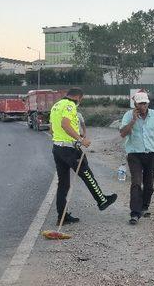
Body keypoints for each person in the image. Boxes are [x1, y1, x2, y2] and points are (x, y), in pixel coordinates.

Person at [49, 87, 117, 226]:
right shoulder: (70, 105)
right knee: (87, 174)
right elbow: (65, 124)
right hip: (70, 149)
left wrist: (73, 137)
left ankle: (61, 216)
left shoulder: (56, 105)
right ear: (79, 97)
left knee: (63, 184)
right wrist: (80, 140)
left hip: (57, 148)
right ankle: (102, 200)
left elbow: (52, 128)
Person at [119, 91, 154, 225]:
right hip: (134, 154)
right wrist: (133, 121)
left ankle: (144, 206)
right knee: (136, 182)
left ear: (147, 103)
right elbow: (123, 133)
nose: (142, 106)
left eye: (144, 103)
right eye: (140, 103)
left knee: (149, 184)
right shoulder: (128, 115)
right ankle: (135, 213)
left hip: (152, 154)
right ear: (135, 104)